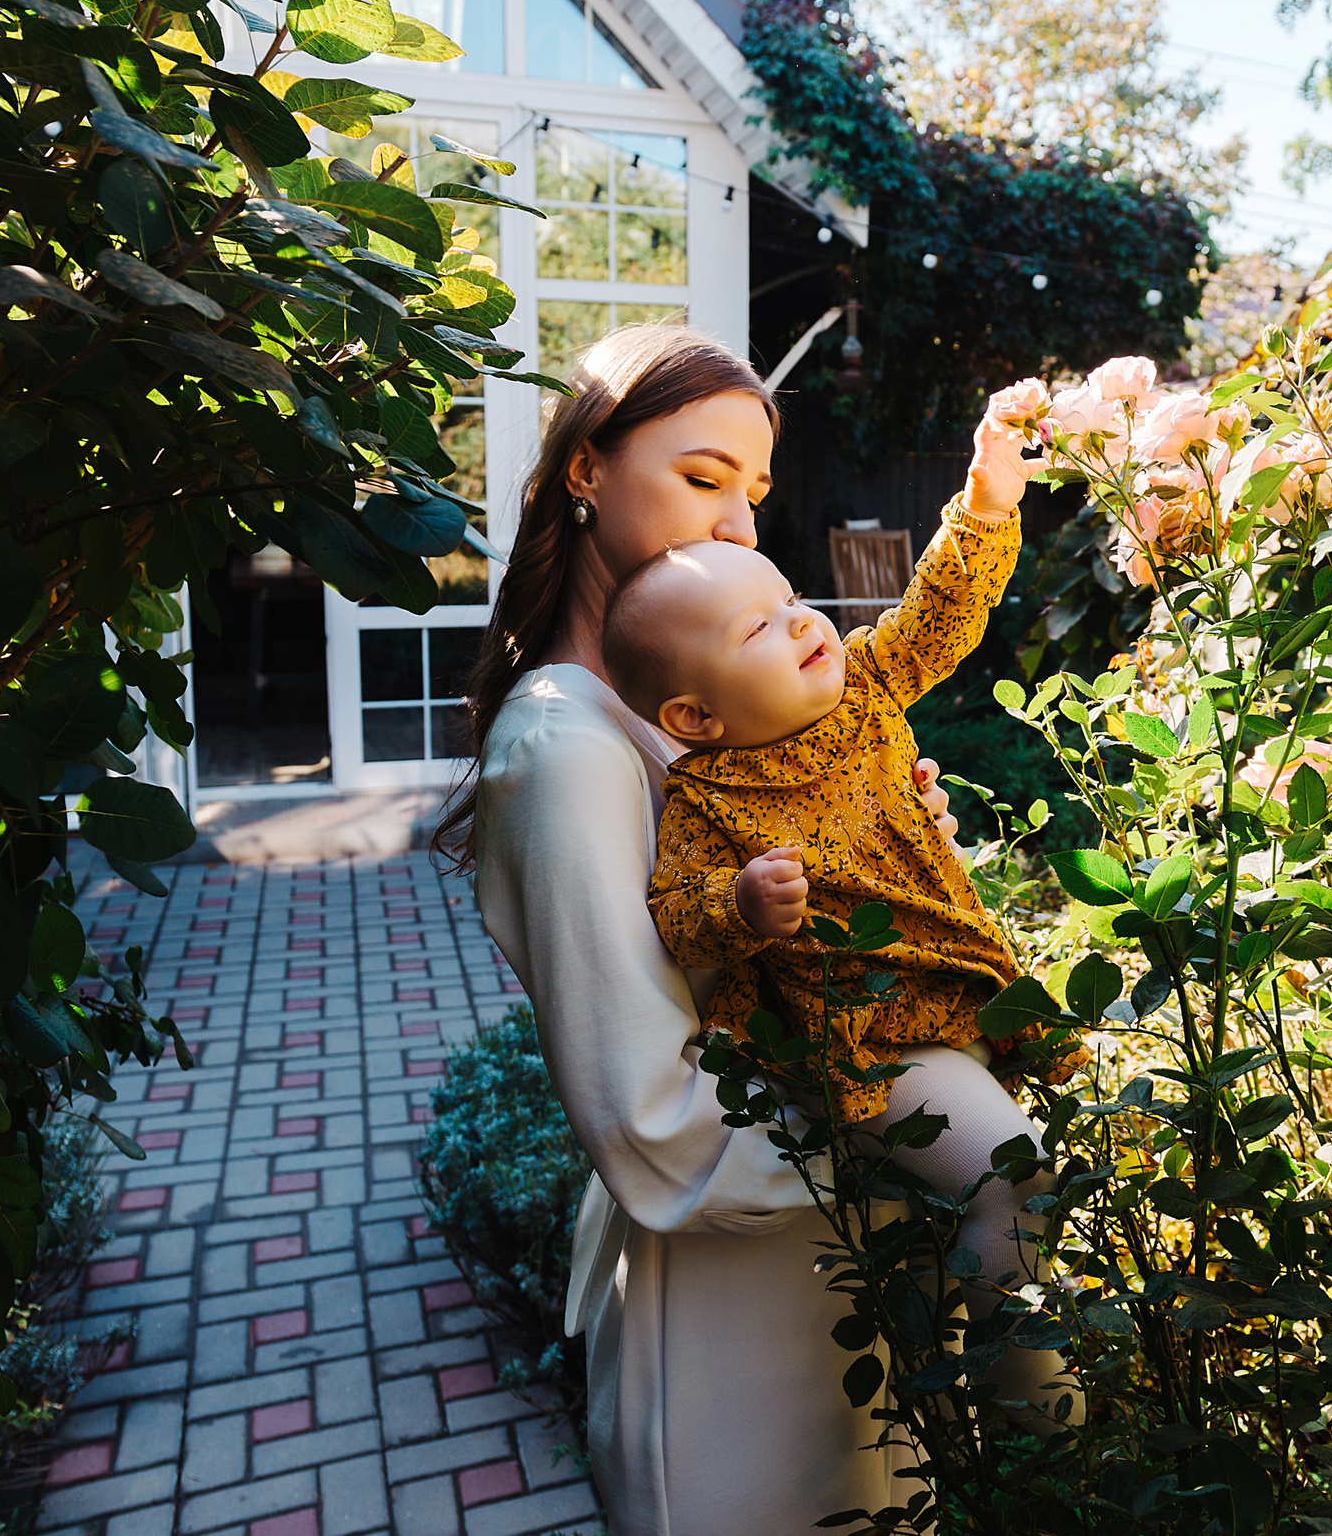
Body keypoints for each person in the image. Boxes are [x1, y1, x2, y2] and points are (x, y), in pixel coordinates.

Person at [442, 323, 961, 1534]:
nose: (737, 523)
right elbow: (651, 1112)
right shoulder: (567, 744)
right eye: (700, 476)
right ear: (585, 468)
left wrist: (888, 847)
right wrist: (919, 1148)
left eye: (755, 490)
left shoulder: (703, 707)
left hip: (825, 1264)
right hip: (736, 1307)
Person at [597, 387, 1081, 1424]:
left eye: (788, 597)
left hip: (951, 998)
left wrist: (988, 503)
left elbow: (939, 614)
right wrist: (738, 904)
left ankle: (946, 1391)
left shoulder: (862, 686)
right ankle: (1027, 1413)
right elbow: (673, 914)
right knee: (1015, 1176)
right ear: (695, 713)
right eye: (755, 629)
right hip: (862, 1040)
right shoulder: (709, 795)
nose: (801, 621)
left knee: (947, 1221)